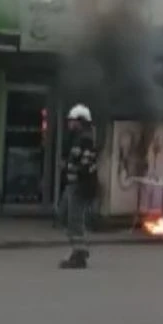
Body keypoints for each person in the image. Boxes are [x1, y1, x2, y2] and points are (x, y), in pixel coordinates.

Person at [59, 104, 100, 269]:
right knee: (63, 215)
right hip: (72, 185)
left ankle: (79, 254)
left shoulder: (87, 140)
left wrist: (69, 167)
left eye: (72, 120)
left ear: (80, 122)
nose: (69, 123)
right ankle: (79, 250)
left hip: (81, 185)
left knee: (74, 220)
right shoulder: (76, 138)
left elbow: (85, 165)